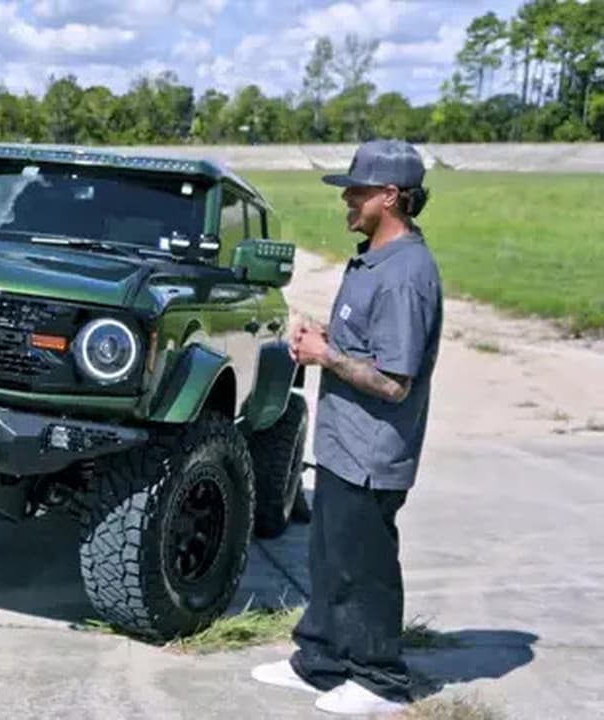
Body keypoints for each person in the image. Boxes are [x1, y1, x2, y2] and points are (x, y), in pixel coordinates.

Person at [250, 139, 443, 716]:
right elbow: (369, 350)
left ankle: (380, 680)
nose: (347, 201)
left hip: (372, 454)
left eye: (356, 191)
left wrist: (324, 357)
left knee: (366, 568)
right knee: (330, 560)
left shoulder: (406, 275)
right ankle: (321, 663)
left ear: (390, 196)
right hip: (341, 446)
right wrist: (329, 344)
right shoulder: (371, 260)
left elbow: (395, 382)